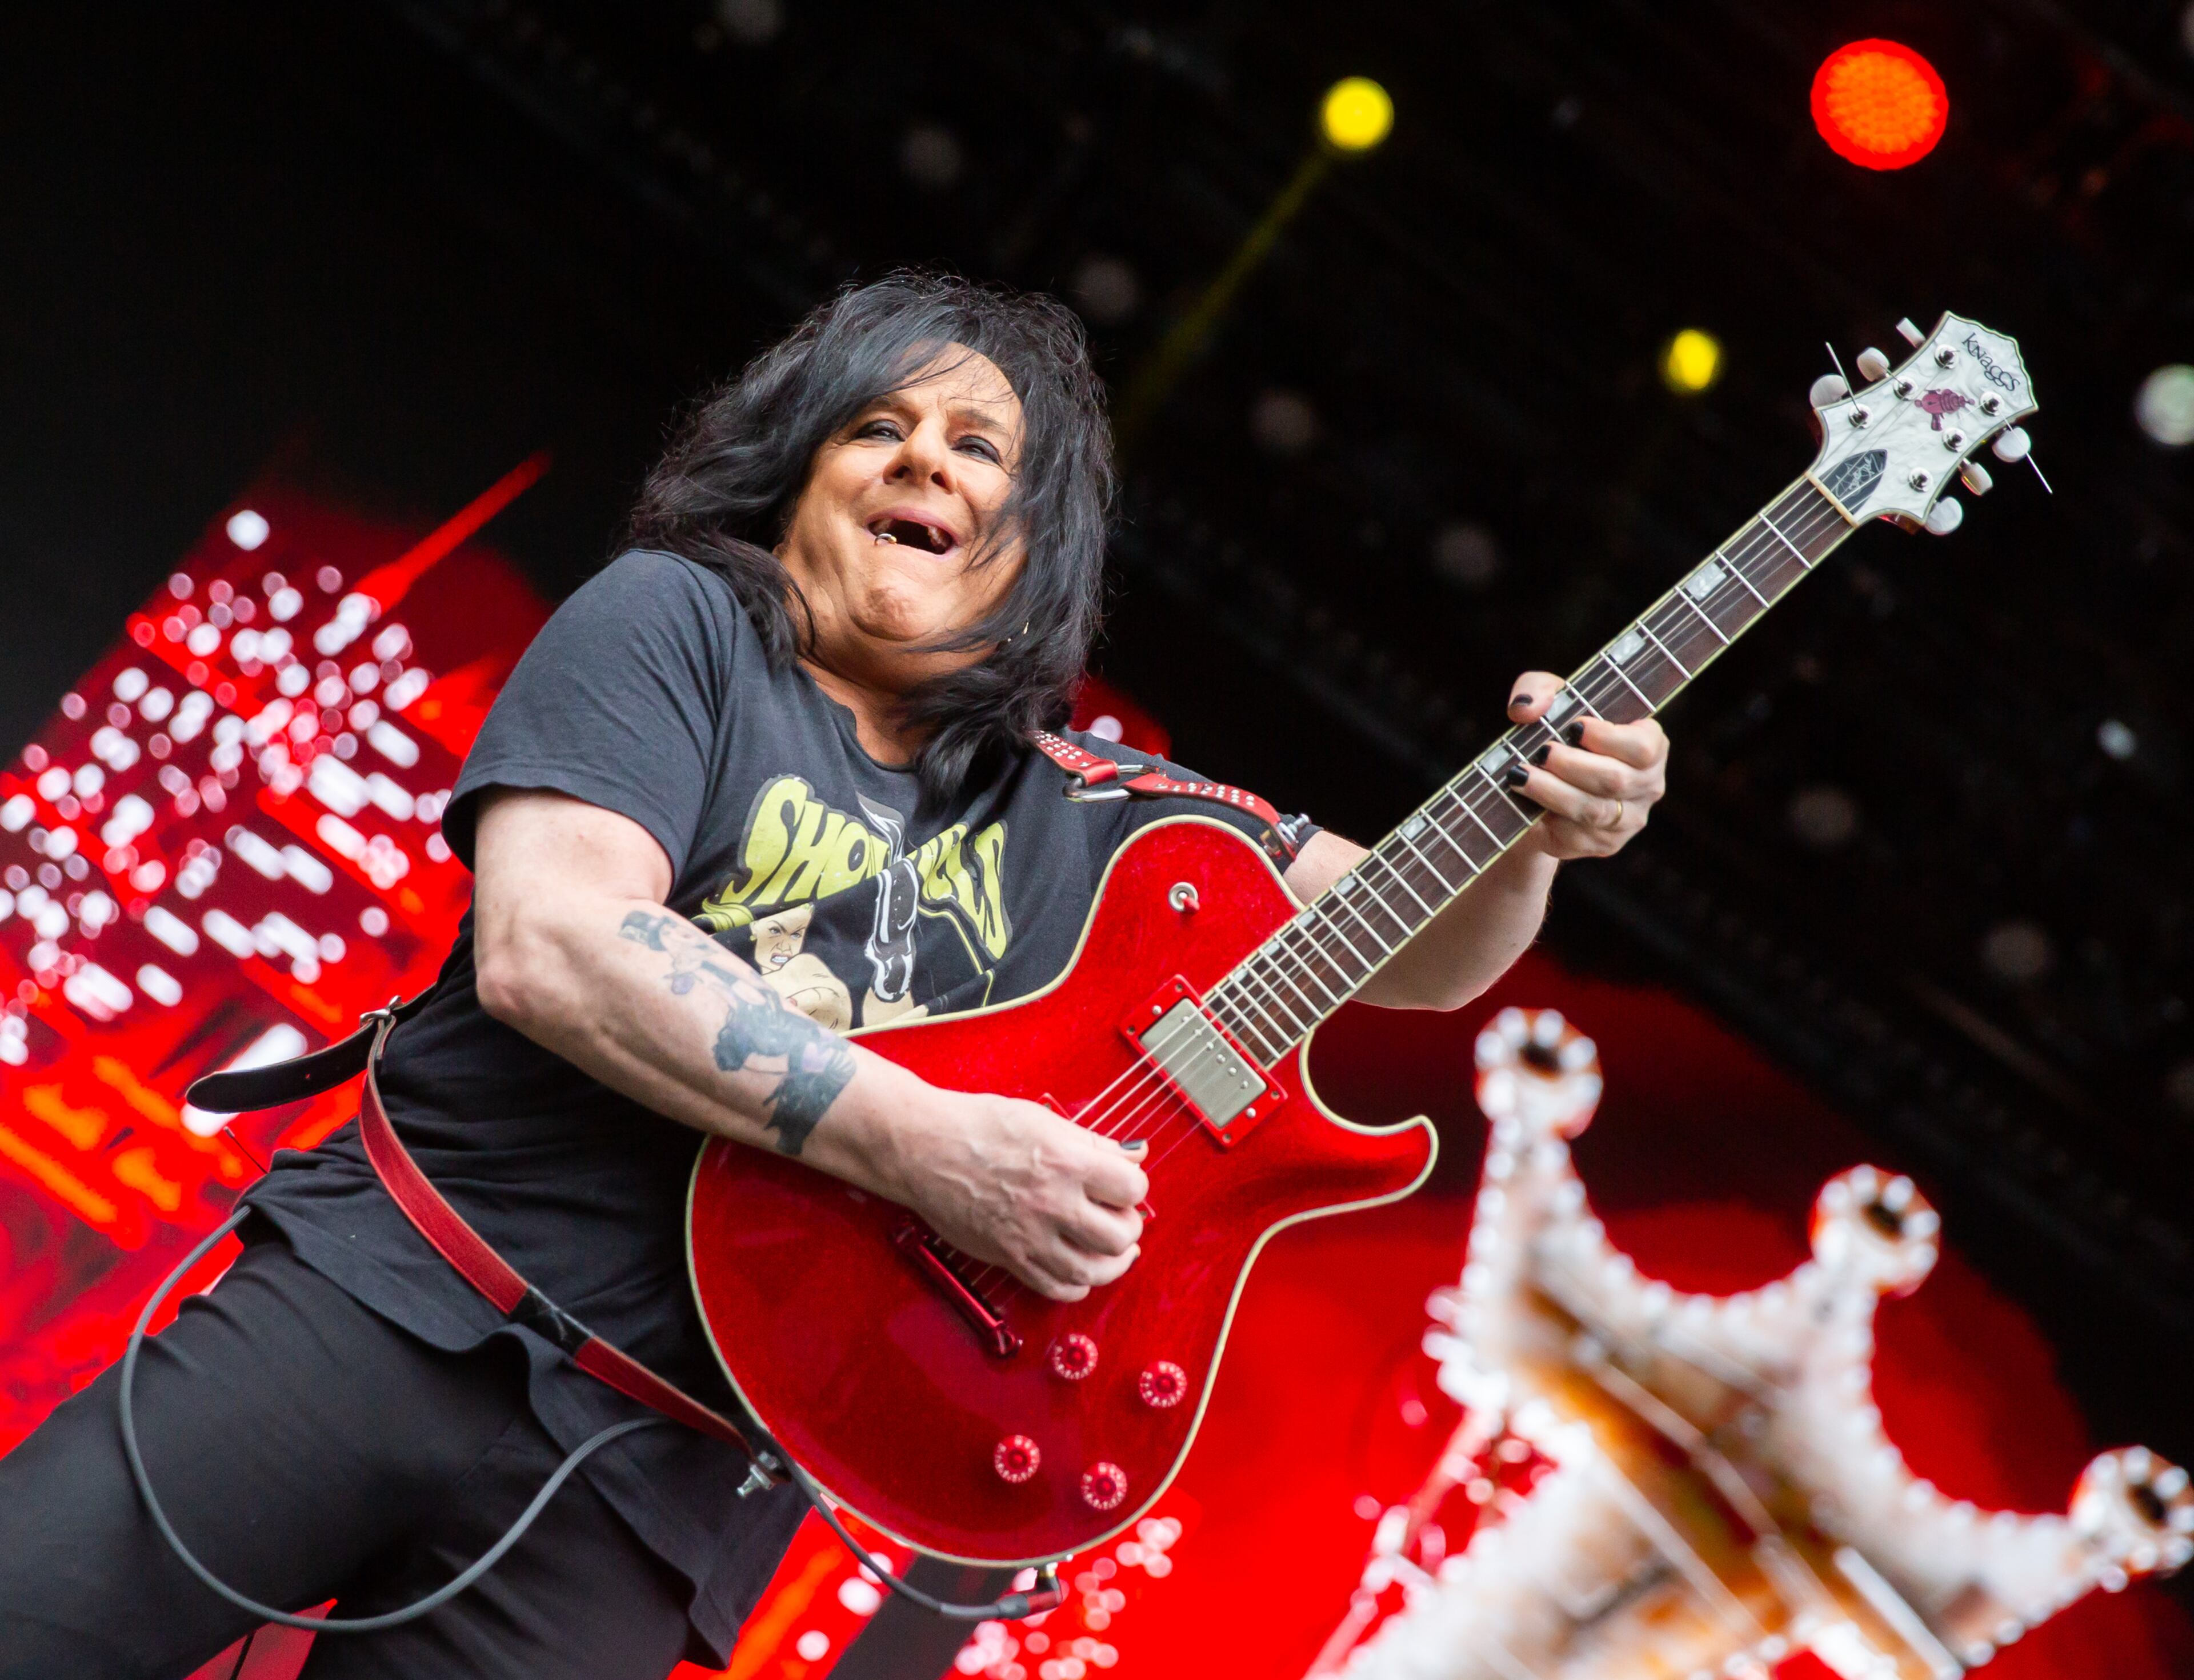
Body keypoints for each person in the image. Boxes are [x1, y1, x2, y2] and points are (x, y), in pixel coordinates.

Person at [0, 273, 1667, 1677]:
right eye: (879, 425)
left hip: (655, 1482)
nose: (923, 456)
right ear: (793, 477)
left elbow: (1412, 938)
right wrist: (932, 1145)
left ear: (1034, 550)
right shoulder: (680, 627)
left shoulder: (1093, 813)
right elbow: (553, 938)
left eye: (977, 446)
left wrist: (1536, 834)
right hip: (393, 1303)